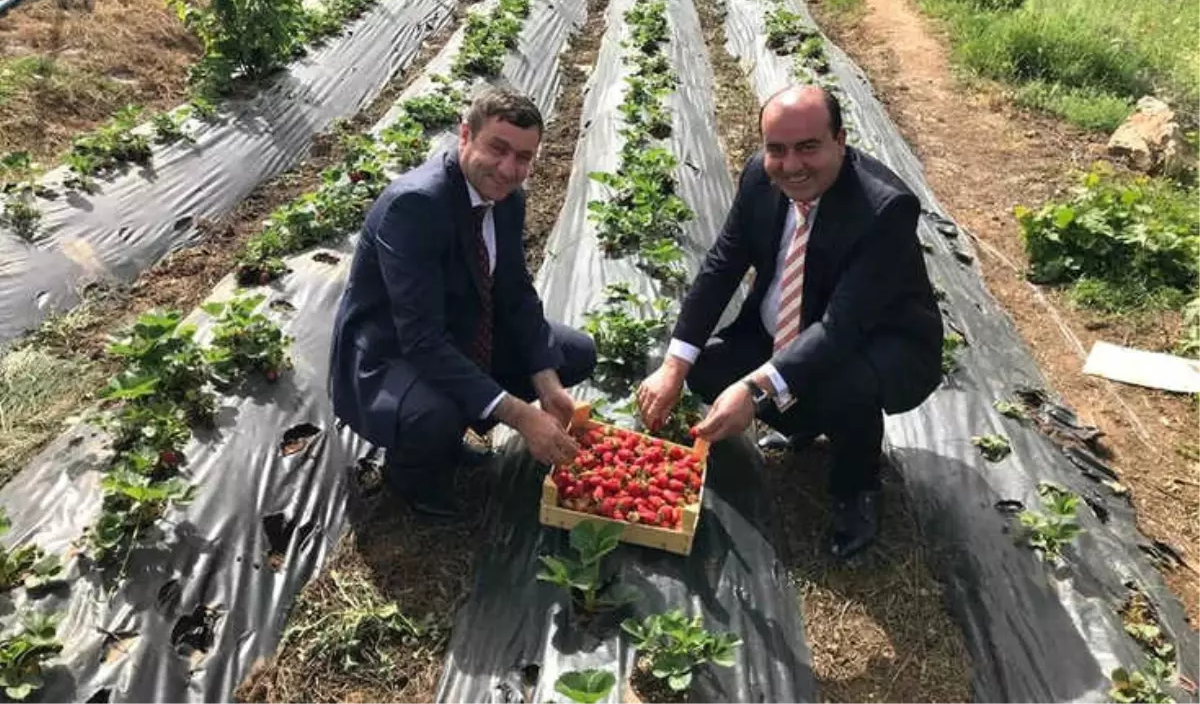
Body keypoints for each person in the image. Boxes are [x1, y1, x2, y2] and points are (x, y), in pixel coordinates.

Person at [637, 84, 942, 558]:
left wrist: (756, 391)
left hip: (878, 341)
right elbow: (722, 265)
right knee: (707, 370)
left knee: (844, 385)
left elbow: (842, 327)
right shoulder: (762, 177)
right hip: (783, 328)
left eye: (808, 147)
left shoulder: (884, 209)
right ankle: (802, 416)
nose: (792, 165)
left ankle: (855, 489)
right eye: (777, 149)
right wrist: (674, 365)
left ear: (840, 139)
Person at [329, 81, 597, 519]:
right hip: (391, 356)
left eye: (524, 157)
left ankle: (455, 429)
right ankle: (411, 478)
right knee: (434, 412)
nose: (509, 169)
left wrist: (547, 384)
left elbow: (516, 292)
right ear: (465, 135)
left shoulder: (507, 200)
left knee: (573, 353)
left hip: (458, 332)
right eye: (498, 148)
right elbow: (420, 340)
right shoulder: (416, 205)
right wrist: (520, 416)